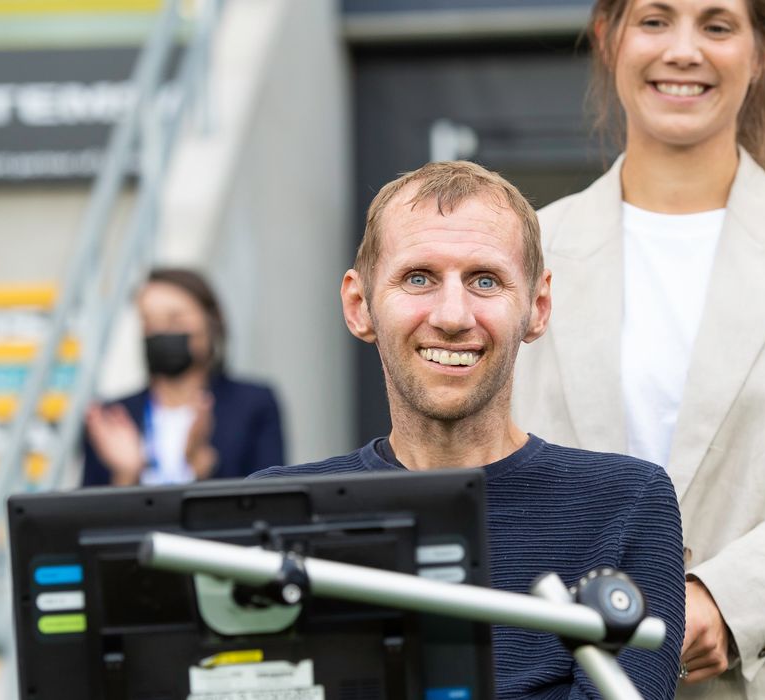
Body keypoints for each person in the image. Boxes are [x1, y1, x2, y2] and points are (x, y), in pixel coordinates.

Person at [512, 0, 765, 697]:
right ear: (607, 38)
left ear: (759, 51)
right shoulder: (532, 247)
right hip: (585, 674)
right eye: (653, 20)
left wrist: (722, 599)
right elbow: (505, 480)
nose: (682, 50)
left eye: (715, 24)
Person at [255, 161, 686, 698]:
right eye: (419, 278)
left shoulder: (625, 503)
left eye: (485, 280)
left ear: (538, 306)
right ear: (359, 304)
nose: (454, 316)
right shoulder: (277, 511)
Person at [82, 268, 285, 486]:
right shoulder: (115, 418)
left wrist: (201, 463)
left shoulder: (253, 404)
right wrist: (126, 474)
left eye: (175, 319)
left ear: (212, 320)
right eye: (149, 322)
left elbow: (270, 501)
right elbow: (89, 514)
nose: (161, 331)